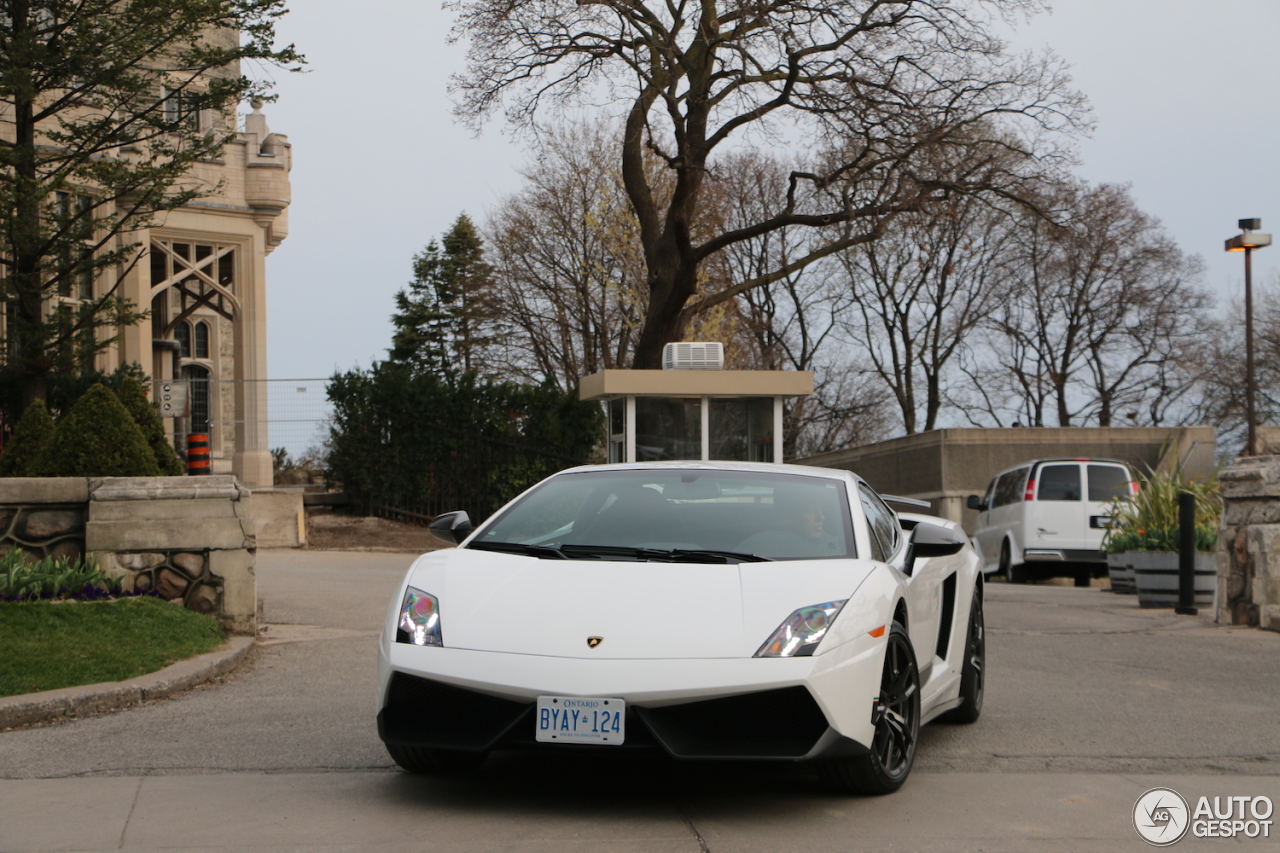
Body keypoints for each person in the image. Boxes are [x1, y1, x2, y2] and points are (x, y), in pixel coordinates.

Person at [737, 486, 843, 559]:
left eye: (821, 509)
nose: (821, 517)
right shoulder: (757, 545)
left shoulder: (837, 548)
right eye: (809, 510)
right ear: (785, 515)